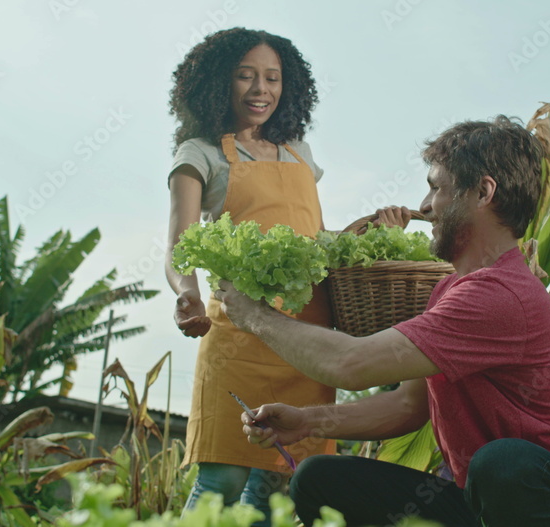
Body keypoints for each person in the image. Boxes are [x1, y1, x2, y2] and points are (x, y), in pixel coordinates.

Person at [215, 116, 550, 526]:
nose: (425, 206)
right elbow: (408, 406)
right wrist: (307, 421)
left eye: (436, 188)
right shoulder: (449, 290)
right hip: (482, 508)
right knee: (319, 480)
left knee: (502, 464)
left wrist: (256, 316)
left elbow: (349, 364)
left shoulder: (503, 294)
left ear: (483, 192)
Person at [164, 28, 408, 523]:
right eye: (246, 76)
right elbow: (179, 245)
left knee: (277, 485)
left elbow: (312, 238)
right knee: (222, 480)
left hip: (307, 337)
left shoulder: (299, 152)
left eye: (272, 78)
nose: (261, 89)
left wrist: (368, 234)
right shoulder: (200, 153)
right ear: (219, 82)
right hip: (238, 333)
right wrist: (187, 293)